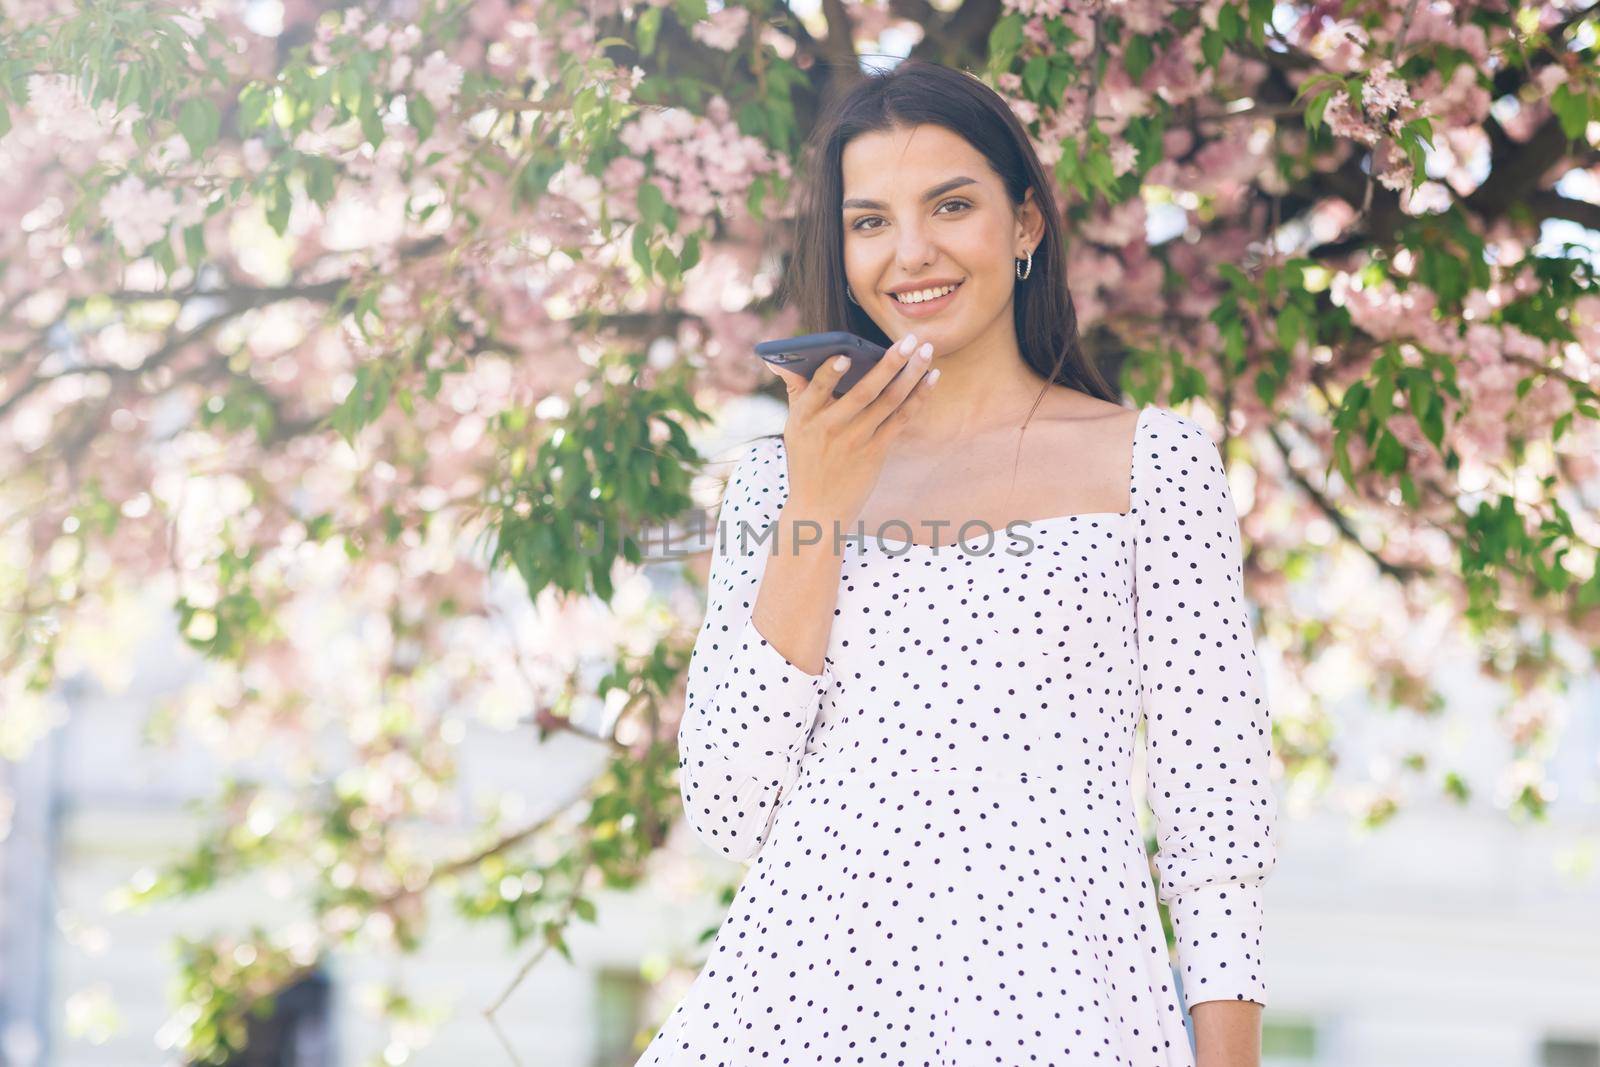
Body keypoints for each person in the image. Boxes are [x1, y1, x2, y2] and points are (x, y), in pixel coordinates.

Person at [638, 59, 1279, 1067]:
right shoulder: (778, 483)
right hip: (797, 1014)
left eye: (950, 205)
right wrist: (820, 507)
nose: (911, 252)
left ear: (1024, 225)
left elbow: (1216, 830)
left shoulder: (1155, 465)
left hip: (1060, 1015)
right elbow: (727, 802)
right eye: (870, 220)